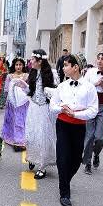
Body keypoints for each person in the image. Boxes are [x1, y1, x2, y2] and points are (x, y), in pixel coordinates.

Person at [50, 53, 98, 206]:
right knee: (63, 158)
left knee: (76, 160)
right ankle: (64, 192)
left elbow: (93, 110)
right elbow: (53, 107)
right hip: (62, 124)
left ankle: (65, 179)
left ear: (75, 67)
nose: (63, 68)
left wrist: (75, 114)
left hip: (79, 126)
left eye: (66, 65)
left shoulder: (89, 87)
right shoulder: (62, 86)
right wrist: (62, 109)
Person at [82, 50, 103, 174]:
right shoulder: (90, 73)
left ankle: (96, 154)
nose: (100, 61)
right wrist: (94, 84)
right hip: (90, 106)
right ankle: (87, 162)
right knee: (89, 135)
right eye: (99, 58)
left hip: (102, 106)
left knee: (99, 137)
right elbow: (83, 87)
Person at [25, 49, 58, 179]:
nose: (31, 61)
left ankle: (42, 166)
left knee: (43, 136)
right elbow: (30, 90)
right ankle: (33, 158)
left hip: (44, 108)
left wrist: (49, 90)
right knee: (31, 135)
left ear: (39, 61)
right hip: (33, 107)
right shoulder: (32, 72)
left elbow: (56, 92)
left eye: (33, 59)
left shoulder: (51, 73)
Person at [1, 57, 29, 152]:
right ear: (14, 66)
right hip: (12, 101)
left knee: (21, 120)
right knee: (12, 120)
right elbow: (6, 89)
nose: (18, 67)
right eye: (16, 65)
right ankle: (12, 136)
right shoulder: (10, 76)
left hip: (23, 102)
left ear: (23, 66)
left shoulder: (26, 76)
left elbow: (29, 89)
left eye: (20, 65)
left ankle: (20, 139)